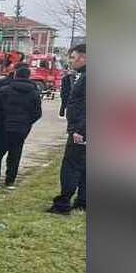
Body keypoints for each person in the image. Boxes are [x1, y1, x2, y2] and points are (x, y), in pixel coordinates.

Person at [49, 44, 86, 214]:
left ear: (83, 57)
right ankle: (83, 201)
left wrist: (80, 130)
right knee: (84, 165)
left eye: (72, 57)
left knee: (71, 164)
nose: (70, 61)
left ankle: (63, 202)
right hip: (82, 127)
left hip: (81, 130)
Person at [0, 65, 43, 188]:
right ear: (28, 76)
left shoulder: (4, 90)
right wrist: (27, 123)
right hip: (21, 128)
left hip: (3, 127)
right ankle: (10, 180)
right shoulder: (34, 93)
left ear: (15, 75)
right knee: (15, 154)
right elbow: (37, 113)